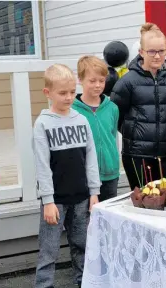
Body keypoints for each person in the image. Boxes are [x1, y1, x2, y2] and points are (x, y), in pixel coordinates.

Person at [33, 64, 101, 288]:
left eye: (72, 91)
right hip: (55, 202)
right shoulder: (42, 124)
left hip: (81, 198)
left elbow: (90, 158)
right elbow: (42, 166)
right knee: (49, 251)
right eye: (63, 93)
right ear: (47, 93)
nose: (69, 97)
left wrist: (94, 192)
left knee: (81, 246)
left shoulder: (82, 120)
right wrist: (48, 201)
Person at [111, 23, 166, 190]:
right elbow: (115, 116)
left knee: (162, 197)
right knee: (143, 199)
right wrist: (135, 131)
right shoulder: (127, 82)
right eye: (151, 51)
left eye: (161, 51)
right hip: (137, 155)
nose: (157, 56)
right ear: (141, 52)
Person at [73, 55, 120, 201]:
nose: (98, 85)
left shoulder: (112, 108)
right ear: (80, 80)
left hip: (109, 173)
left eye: (101, 80)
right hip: (84, 175)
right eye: (92, 81)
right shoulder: (73, 110)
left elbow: (113, 136)